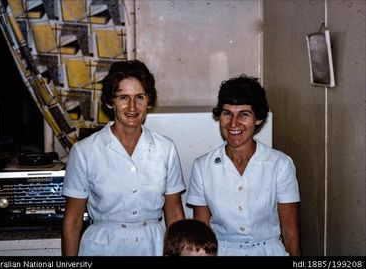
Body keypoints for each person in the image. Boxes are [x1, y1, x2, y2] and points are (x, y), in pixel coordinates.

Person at [62, 60, 186, 256]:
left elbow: (174, 212)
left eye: (140, 97)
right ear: (111, 102)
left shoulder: (166, 149)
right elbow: (73, 218)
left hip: (152, 246)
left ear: (149, 100)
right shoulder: (84, 151)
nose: (132, 107)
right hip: (102, 247)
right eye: (123, 98)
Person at [186, 74, 301, 256]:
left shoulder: (280, 164)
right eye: (227, 114)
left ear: (258, 118)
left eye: (243, 115)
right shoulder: (203, 166)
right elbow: (201, 234)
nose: (233, 123)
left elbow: (290, 234)